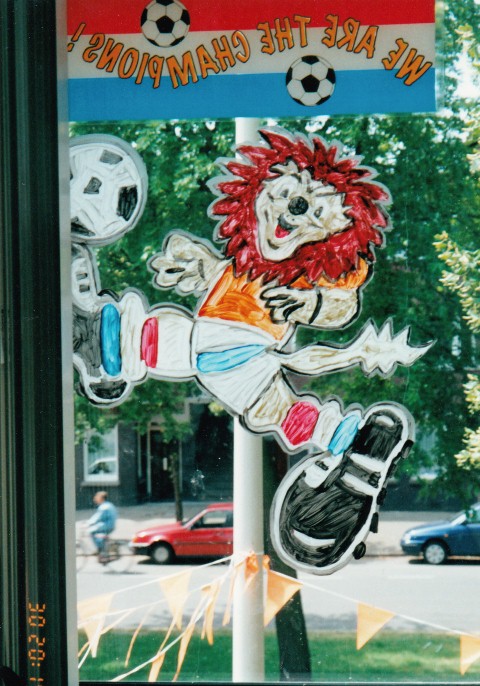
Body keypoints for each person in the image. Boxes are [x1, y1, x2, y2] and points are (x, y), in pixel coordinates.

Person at [88, 491, 118, 557]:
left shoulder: (104, 507)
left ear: (101, 498)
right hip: (110, 525)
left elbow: (97, 517)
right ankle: (103, 548)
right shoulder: (109, 504)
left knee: (91, 531)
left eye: (97, 497)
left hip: (107, 525)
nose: (95, 498)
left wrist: (88, 523)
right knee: (99, 535)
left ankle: (100, 549)